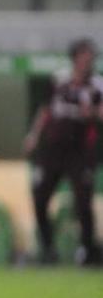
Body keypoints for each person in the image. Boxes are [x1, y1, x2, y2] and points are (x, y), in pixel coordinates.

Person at [24, 38, 103, 266]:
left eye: (90, 57)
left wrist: (93, 113)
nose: (87, 61)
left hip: (80, 151)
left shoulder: (97, 86)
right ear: (75, 58)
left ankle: (86, 251)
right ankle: (48, 248)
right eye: (83, 56)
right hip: (53, 149)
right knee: (40, 197)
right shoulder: (59, 80)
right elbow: (45, 110)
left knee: (83, 202)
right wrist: (33, 135)